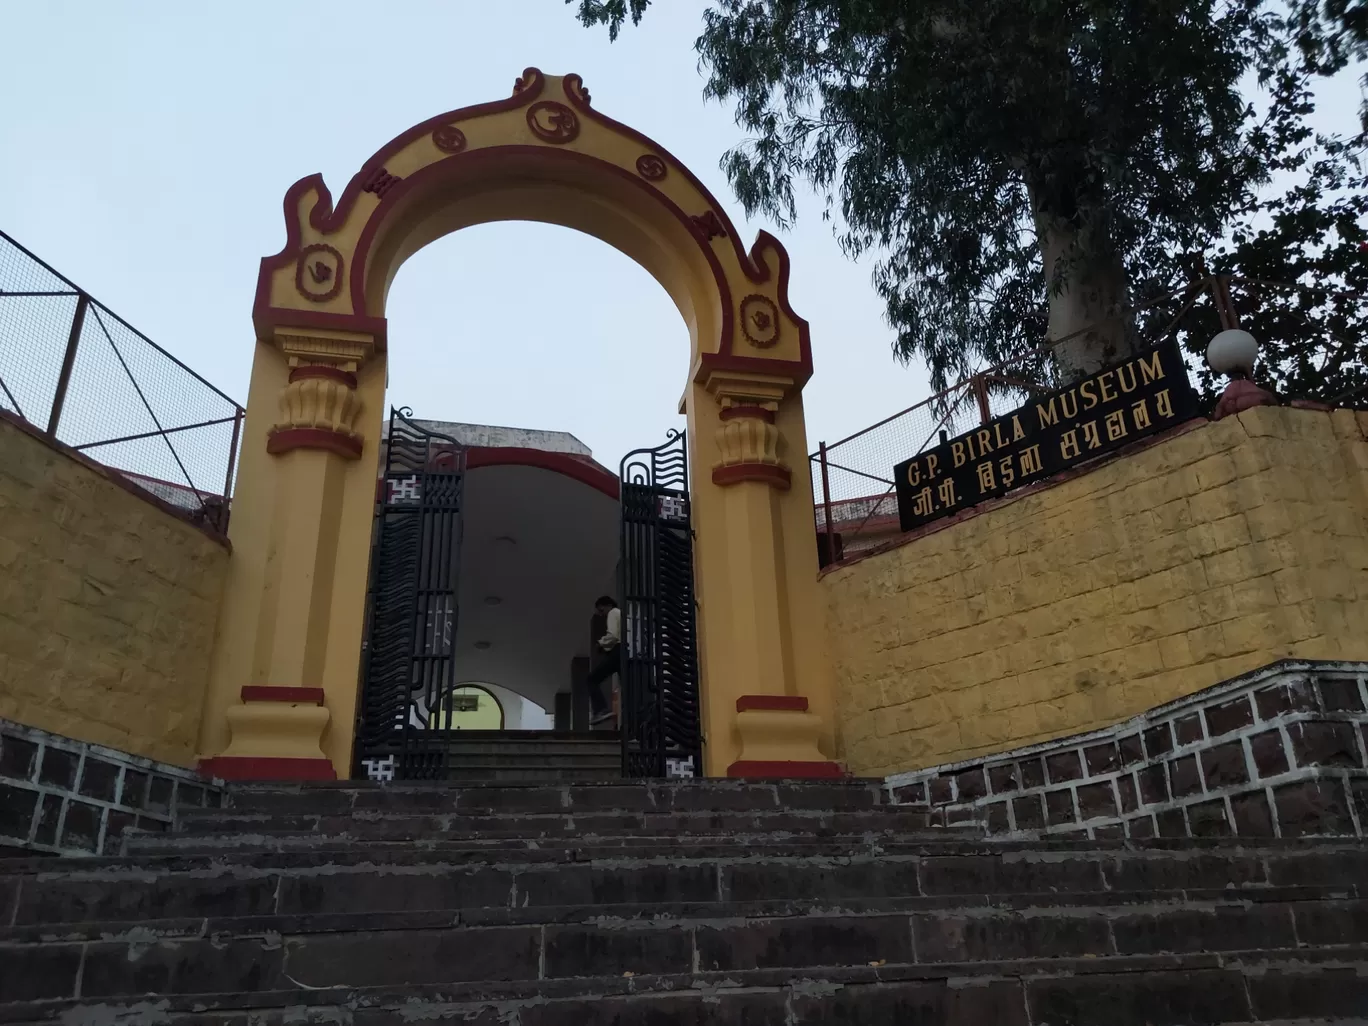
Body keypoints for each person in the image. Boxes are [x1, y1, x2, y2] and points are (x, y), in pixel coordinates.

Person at [585, 595, 621, 727]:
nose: (602, 615)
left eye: (601, 611)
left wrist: (600, 643)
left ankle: (600, 709)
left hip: (617, 652)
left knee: (592, 679)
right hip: (625, 653)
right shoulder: (623, 614)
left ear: (607, 606)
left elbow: (613, 635)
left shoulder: (613, 613)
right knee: (626, 687)